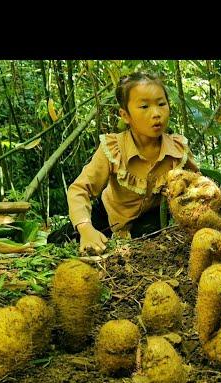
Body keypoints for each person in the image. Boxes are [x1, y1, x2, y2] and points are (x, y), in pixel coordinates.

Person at [68, 71, 199, 255]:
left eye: (162, 104)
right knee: (63, 239)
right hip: (106, 215)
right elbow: (79, 190)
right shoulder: (113, 148)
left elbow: (198, 187)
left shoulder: (178, 150)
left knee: (148, 241)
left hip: (149, 223)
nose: (156, 114)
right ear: (125, 115)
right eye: (144, 107)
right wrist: (85, 228)